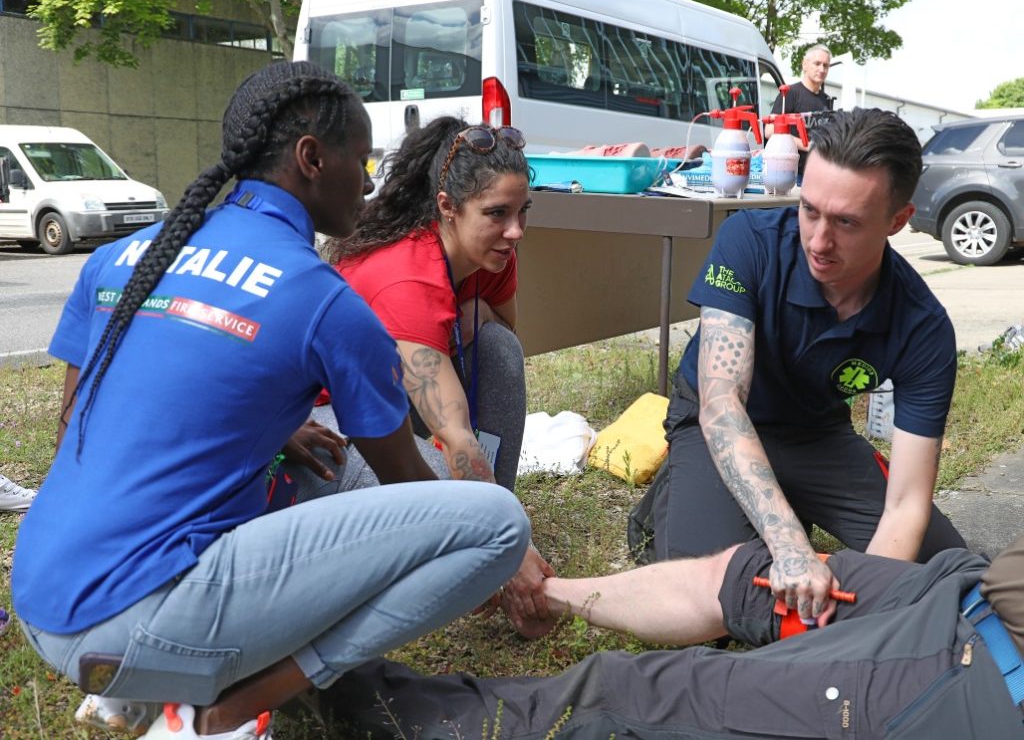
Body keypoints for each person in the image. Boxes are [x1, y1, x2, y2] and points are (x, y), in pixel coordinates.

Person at [11, 61, 530, 740]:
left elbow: (78, 426)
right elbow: (415, 490)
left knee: (331, 467)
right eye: (361, 159)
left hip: (43, 593)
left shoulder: (124, 256)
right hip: (134, 622)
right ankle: (245, 694)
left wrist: (281, 431)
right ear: (312, 159)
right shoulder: (321, 298)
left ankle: (141, 686)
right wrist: (511, 564)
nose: (370, 181)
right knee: (496, 523)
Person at [646, 107, 966, 618]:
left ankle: (779, 506)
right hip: (719, 424)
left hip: (816, 436)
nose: (818, 241)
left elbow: (906, 503)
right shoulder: (748, 241)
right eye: (810, 209)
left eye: (846, 222)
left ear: (898, 221)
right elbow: (722, 403)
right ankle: (674, 503)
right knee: (717, 598)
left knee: (947, 573)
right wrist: (791, 546)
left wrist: (874, 607)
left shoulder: (922, 326)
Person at [324, 533, 1024, 739]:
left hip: (981, 663)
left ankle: (330, 685)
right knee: (751, 572)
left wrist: (839, 656)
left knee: (629, 690)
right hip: (965, 585)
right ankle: (548, 597)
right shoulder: (759, 250)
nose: (821, 237)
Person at [311, 116, 555, 635]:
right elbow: (455, 435)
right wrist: (518, 552)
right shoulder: (406, 276)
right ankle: (488, 547)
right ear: (447, 207)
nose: (515, 231)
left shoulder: (493, 249)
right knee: (447, 477)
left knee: (499, 350)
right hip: (324, 424)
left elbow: (500, 336)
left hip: (394, 403)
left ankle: (486, 538)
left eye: (521, 212)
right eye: (496, 214)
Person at [766, 43, 834, 177]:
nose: (821, 69)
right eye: (817, 63)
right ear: (805, 65)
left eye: (825, 65)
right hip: (789, 173)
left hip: (817, 175)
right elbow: (770, 130)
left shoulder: (827, 100)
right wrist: (808, 146)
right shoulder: (789, 93)